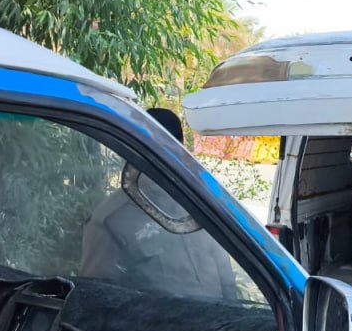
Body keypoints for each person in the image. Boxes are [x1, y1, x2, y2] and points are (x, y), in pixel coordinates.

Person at [81, 107, 237, 300]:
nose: (168, 159)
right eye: (157, 150)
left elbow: (226, 280)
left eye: (174, 149)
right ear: (133, 150)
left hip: (221, 317)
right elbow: (99, 299)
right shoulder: (111, 221)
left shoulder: (200, 203)